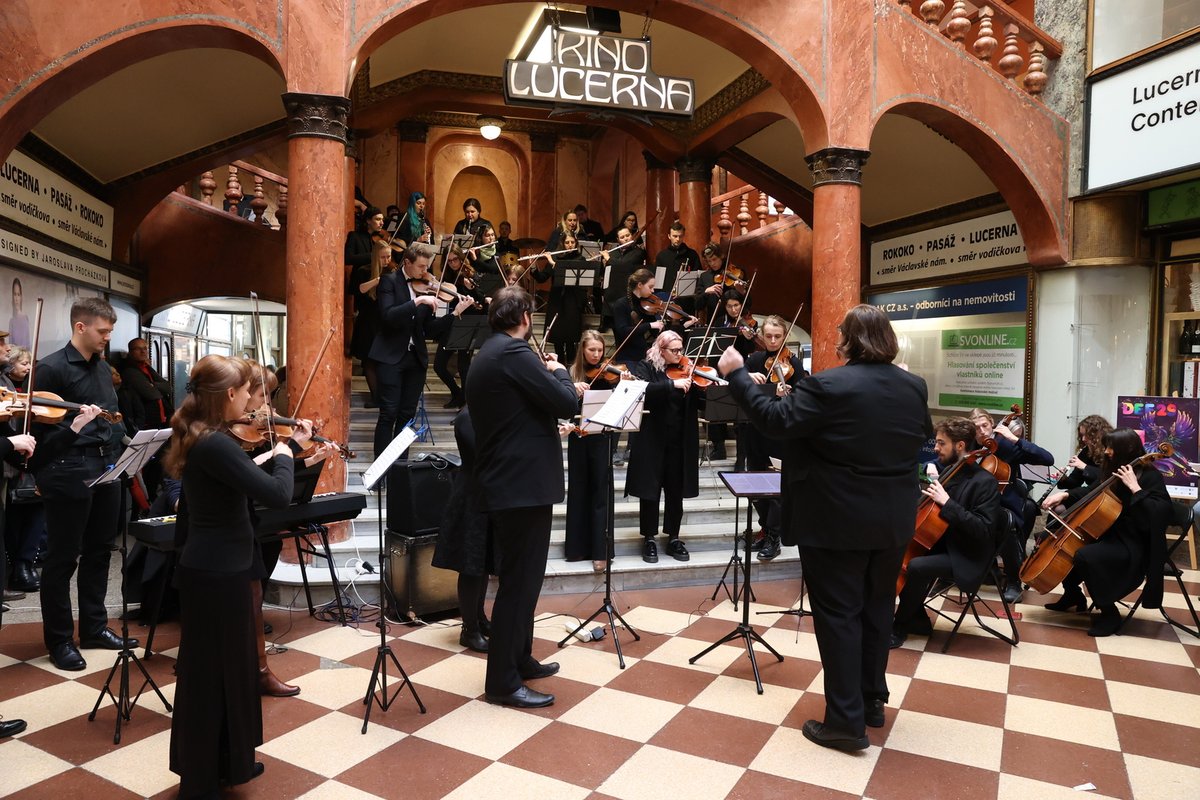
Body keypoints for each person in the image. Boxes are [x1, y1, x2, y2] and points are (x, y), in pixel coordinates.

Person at [717, 303, 933, 752]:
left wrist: (738, 375)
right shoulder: (913, 385)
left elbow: (776, 420)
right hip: (892, 519)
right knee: (876, 611)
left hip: (836, 521)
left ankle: (845, 722)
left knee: (838, 617)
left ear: (847, 342)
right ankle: (872, 700)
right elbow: (922, 437)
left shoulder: (829, 384)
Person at [166, 355, 311, 799]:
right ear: (229, 394)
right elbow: (278, 495)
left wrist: (293, 447)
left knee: (228, 669)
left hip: (217, 565)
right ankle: (202, 778)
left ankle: (227, 761)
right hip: (215, 572)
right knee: (210, 675)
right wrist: (286, 452)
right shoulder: (214, 443)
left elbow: (246, 480)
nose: (253, 401)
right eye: (248, 392)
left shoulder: (211, 437)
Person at [466, 285, 577, 709]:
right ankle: (502, 682)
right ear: (525, 318)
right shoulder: (514, 354)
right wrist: (561, 370)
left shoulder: (488, 352)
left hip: (511, 483)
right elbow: (565, 403)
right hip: (519, 486)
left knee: (524, 581)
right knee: (518, 584)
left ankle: (520, 658)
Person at [29, 298, 136, 671]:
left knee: (100, 551)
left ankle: (94, 627)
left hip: (106, 467)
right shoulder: (51, 369)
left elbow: (111, 419)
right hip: (67, 469)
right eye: (103, 331)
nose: (108, 337)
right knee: (62, 559)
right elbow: (37, 436)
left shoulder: (103, 370)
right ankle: (59, 640)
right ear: (80, 327)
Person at [1038, 427, 1171, 637]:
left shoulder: (1149, 475)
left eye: (1111, 447)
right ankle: (1073, 595)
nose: (1107, 451)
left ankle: (1109, 612)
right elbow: (1094, 490)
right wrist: (1064, 495)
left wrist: (1136, 488)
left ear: (1127, 448)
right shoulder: (1114, 468)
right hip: (1109, 533)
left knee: (1086, 556)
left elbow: (1160, 514)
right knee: (1061, 540)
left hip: (1134, 543)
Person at [891, 417, 1002, 647]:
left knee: (916, 567)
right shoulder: (952, 471)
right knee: (897, 555)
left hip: (968, 555)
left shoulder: (985, 482)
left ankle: (899, 626)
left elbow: (982, 530)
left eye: (941, 443)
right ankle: (918, 619)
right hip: (947, 544)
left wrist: (947, 502)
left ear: (960, 446)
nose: (935, 448)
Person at [368, 244, 473, 457]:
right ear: (407, 263)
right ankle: (380, 471)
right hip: (390, 356)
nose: (425, 272)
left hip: (414, 359)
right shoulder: (389, 282)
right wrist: (417, 301)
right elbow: (388, 315)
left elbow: (428, 329)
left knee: (407, 415)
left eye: (427, 267)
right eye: (421, 267)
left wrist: (454, 315)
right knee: (388, 413)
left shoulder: (425, 287)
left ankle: (399, 467)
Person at [627, 330, 699, 564]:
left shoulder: (687, 368)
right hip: (652, 439)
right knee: (650, 490)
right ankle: (649, 537)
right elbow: (642, 391)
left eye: (681, 350)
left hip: (679, 439)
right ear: (661, 350)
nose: (679, 354)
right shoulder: (646, 367)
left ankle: (674, 537)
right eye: (674, 350)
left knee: (675, 490)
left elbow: (701, 399)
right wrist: (672, 384)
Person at [969, 407, 1053, 603]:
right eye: (977, 428)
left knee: (1005, 522)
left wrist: (1015, 439)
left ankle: (1014, 581)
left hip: (1004, 503)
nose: (982, 431)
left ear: (992, 424)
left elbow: (1047, 459)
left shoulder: (1004, 446)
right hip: (976, 503)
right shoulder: (970, 446)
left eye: (985, 426)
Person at [741, 315, 806, 560]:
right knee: (755, 484)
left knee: (776, 486)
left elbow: (802, 398)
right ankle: (765, 527)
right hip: (755, 431)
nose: (772, 340)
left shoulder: (794, 364)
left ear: (785, 336)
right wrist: (746, 378)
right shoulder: (755, 360)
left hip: (780, 433)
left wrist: (786, 395)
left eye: (777, 336)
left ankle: (774, 536)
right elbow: (738, 385)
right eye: (768, 336)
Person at [432, 409, 493, 653]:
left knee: (484, 563)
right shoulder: (468, 416)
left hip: (487, 495)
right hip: (471, 496)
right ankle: (469, 630)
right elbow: (481, 455)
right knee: (471, 565)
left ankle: (480, 618)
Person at [564, 331, 620, 571]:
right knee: (579, 489)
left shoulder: (611, 375)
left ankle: (601, 550)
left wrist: (625, 381)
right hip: (579, 436)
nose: (597, 355)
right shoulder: (570, 374)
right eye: (591, 350)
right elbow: (563, 407)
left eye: (600, 350)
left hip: (602, 437)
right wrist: (571, 390)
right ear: (582, 350)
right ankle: (576, 548)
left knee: (601, 493)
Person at [120, 337, 174, 492]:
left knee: (161, 464)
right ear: (131, 352)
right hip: (146, 426)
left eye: (145, 347)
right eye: (139, 348)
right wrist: (155, 388)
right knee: (149, 466)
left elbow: (168, 387)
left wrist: (154, 385)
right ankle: (148, 499)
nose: (144, 351)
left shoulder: (146, 367)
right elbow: (151, 394)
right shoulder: (129, 371)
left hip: (161, 424)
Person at [531, 231, 586, 364]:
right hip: (557, 300)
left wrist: (552, 262)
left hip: (573, 300)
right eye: (567, 242)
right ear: (562, 243)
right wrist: (534, 267)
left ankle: (572, 367)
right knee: (558, 337)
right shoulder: (556, 258)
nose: (569, 245)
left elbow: (568, 274)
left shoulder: (580, 259)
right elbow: (542, 278)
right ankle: (559, 365)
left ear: (576, 243)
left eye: (572, 242)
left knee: (571, 338)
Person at [350, 240, 393, 407]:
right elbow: (357, 289)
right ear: (376, 256)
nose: (387, 260)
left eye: (389, 256)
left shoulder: (392, 271)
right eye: (383, 257)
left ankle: (384, 396)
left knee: (383, 360)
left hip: (385, 321)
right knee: (368, 360)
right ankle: (376, 397)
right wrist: (376, 280)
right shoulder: (364, 271)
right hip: (368, 320)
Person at [610, 269, 665, 366]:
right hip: (626, 358)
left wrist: (674, 324)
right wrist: (650, 325)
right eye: (650, 287)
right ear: (640, 285)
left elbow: (656, 332)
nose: (653, 291)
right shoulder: (621, 304)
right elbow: (623, 331)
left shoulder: (646, 305)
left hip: (643, 357)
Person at [600, 225, 646, 332]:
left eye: (628, 235)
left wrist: (609, 259)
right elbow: (608, 271)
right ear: (618, 240)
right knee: (615, 328)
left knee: (625, 327)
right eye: (622, 237)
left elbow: (624, 265)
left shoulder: (638, 252)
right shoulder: (614, 253)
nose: (626, 238)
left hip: (627, 293)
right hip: (612, 293)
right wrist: (603, 263)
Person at [654, 221, 700, 297]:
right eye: (675, 236)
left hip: (686, 297)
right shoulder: (662, 256)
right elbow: (658, 282)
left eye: (680, 236)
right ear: (669, 236)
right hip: (667, 296)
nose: (678, 239)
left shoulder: (692, 254)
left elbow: (697, 277)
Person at [8, 278, 29, 349]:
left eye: (18, 294)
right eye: (14, 294)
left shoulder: (25, 318)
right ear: (12, 296)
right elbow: (10, 347)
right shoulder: (11, 321)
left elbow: (28, 345)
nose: (16, 298)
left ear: (21, 297)